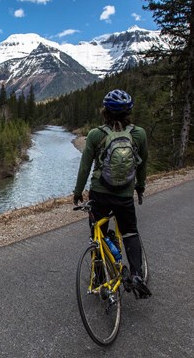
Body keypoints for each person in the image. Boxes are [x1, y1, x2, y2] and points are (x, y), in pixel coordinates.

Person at [73, 89, 152, 299]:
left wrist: (78, 192)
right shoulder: (139, 134)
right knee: (130, 233)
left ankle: (100, 278)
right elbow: (142, 165)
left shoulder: (95, 134)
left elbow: (85, 167)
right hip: (124, 195)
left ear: (105, 112)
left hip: (99, 194)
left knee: (97, 236)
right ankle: (136, 275)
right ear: (129, 113)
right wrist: (140, 186)